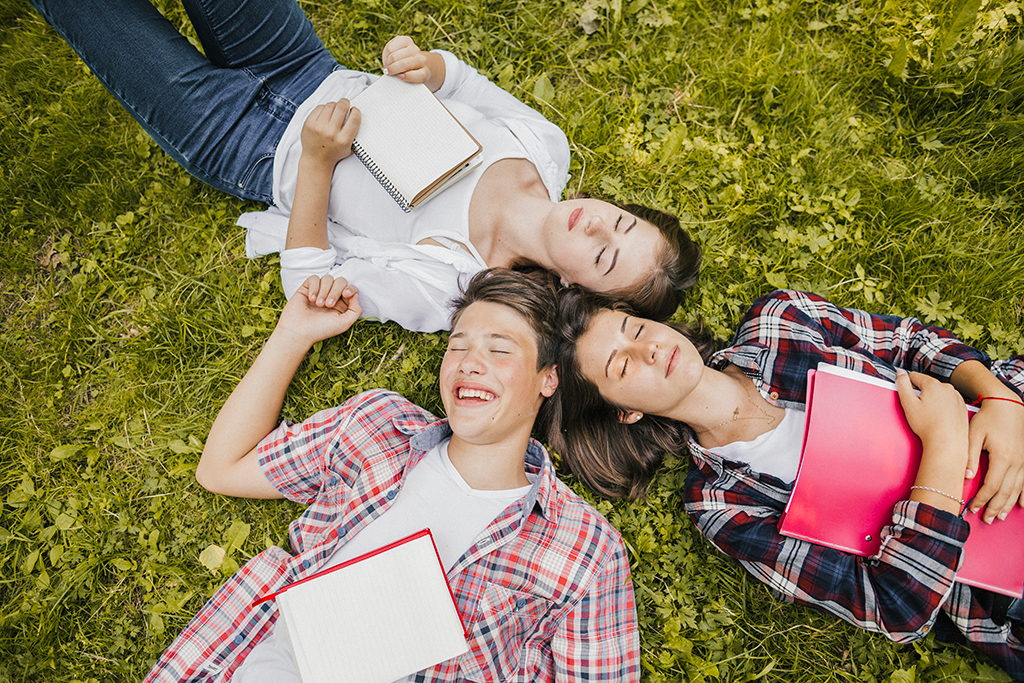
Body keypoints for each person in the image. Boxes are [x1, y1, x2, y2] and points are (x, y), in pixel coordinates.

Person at [27, 0, 701, 332]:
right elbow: (459, 82)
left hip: (241, 139)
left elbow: (308, 285)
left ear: (577, 288)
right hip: (302, 64)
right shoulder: (546, 146)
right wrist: (423, 66)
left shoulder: (452, 284)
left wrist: (318, 164)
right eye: (620, 222)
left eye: (606, 256)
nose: (597, 228)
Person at [144, 268, 639, 682]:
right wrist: (292, 334)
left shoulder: (585, 549)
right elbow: (221, 469)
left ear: (547, 378)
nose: (469, 364)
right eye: (457, 345)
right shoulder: (378, 427)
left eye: (499, 349)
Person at [544, 287, 1024, 679]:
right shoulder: (722, 505)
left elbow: (910, 343)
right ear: (626, 413)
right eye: (622, 366)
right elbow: (894, 606)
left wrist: (1000, 400)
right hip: (1004, 579)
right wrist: (941, 447)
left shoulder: (781, 320)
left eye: (636, 329)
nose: (647, 349)